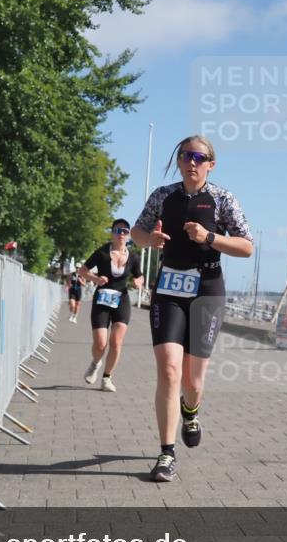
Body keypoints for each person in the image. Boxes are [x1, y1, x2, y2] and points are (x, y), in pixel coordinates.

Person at [131, 136, 253, 482]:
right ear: (180, 161)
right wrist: (148, 241)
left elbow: (246, 247)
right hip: (169, 288)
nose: (192, 162)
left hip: (207, 290)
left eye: (199, 157)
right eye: (186, 156)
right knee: (170, 370)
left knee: (193, 380)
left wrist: (209, 238)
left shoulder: (222, 199)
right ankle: (166, 453)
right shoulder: (163, 196)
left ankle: (192, 409)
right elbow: (137, 232)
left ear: (211, 165)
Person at [77, 219, 144, 392]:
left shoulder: (134, 257)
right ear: (112, 233)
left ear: (128, 235)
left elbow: (140, 276)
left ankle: (107, 378)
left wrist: (138, 281)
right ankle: (95, 363)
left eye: (125, 231)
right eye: (118, 230)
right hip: (102, 299)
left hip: (122, 299)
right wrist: (96, 279)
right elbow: (82, 271)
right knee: (100, 344)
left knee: (116, 342)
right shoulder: (102, 253)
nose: (121, 234)